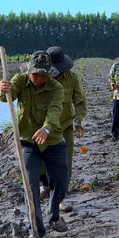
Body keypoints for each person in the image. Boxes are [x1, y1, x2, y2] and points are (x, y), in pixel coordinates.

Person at [0, 51, 68, 237]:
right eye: (34, 74)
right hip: (28, 142)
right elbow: (6, 97)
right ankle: (37, 229)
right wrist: (3, 89)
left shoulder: (56, 88)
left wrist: (46, 129)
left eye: (42, 75)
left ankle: (54, 215)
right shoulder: (20, 80)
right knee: (30, 185)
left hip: (52, 140)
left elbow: (54, 112)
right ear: (28, 71)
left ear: (49, 74)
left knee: (60, 182)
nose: (37, 78)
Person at [42, 46, 87, 213]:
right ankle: (46, 186)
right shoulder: (41, 77)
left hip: (65, 127)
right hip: (43, 127)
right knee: (41, 163)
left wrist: (78, 120)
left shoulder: (72, 78)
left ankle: (59, 199)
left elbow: (80, 102)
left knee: (64, 165)